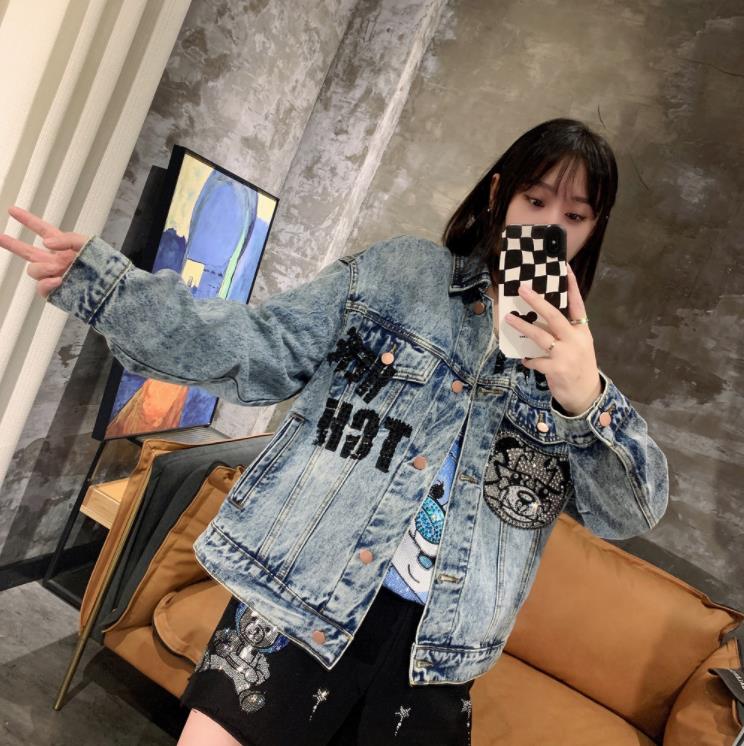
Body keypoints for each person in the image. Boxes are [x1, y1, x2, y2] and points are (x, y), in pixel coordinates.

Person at [0, 118, 669, 745]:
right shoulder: (403, 276)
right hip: (299, 599)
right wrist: (115, 293)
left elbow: (629, 510)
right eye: (535, 200)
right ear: (499, 196)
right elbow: (261, 347)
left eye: (574, 216)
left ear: (593, 230)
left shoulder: (574, 377)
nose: (549, 227)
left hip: (435, 660)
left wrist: (586, 398)